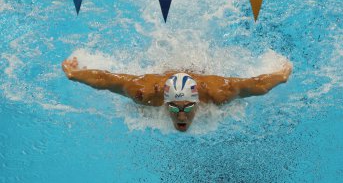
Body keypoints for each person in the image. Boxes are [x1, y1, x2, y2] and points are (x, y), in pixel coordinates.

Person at [62, 57, 292, 132]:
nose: (181, 116)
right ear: (165, 100)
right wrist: (75, 74)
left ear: (198, 101)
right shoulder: (145, 93)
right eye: (174, 108)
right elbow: (107, 80)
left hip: (200, 75)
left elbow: (256, 85)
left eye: (187, 108)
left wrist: (281, 75)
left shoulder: (218, 93)